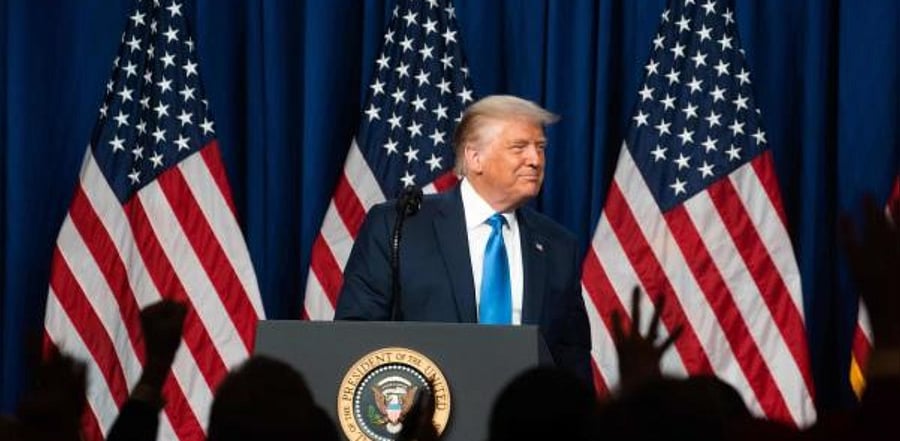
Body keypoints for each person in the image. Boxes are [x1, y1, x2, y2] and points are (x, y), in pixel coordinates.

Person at [335, 95, 592, 384]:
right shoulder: (399, 225)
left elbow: (572, 358)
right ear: (474, 157)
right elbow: (356, 332)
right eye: (519, 147)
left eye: (540, 148)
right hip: (423, 417)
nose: (535, 160)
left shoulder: (558, 245)